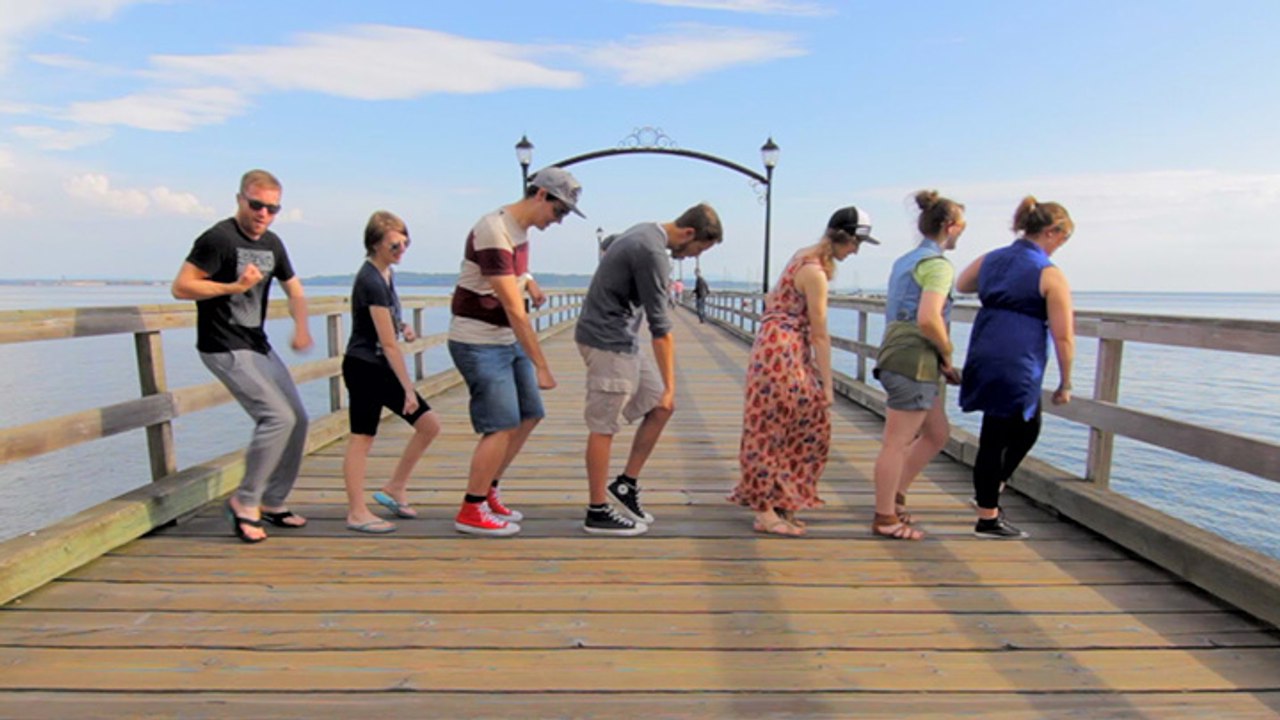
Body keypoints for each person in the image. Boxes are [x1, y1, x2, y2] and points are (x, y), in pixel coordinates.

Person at [171, 169, 312, 543]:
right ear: (240, 200)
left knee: (297, 418)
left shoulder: (273, 244)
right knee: (276, 416)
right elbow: (181, 287)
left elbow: (294, 289)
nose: (263, 214)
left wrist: (301, 329)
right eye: (256, 205)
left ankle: (272, 500)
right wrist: (234, 286)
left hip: (257, 344)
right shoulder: (217, 239)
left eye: (272, 208)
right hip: (222, 345)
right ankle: (245, 502)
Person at [447, 167, 584, 536]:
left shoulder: (519, 231)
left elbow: (514, 272)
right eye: (560, 211)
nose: (559, 221)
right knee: (500, 424)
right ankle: (471, 510)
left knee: (530, 414)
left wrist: (532, 283)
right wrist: (542, 365)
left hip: (505, 340)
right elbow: (512, 308)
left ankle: (489, 487)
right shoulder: (493, 228)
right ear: (541, 195)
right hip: (478, 340)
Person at [575, 203, 723, 535]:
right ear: (688, 233)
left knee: (659, 405)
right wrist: (672, 386)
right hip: (606, 341)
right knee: (604, 425)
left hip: (622, 339)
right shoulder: (652, 251)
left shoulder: (644, 231)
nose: (692, 257)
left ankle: (625, 484)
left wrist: (666, 393)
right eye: (698, 249)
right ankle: (597, 511)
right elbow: (661, 329)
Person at [730, 206, 877, 536]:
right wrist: (827, 385)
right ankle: (766, 509)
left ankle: (779, 499)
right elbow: (820, 332)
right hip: (783, 352)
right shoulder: (815, 273)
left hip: (773, 347)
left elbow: (774, 299)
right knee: (786, 424)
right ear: (844, 239)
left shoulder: (803, 257)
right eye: (856, 244)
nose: (855, 252)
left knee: (787, 423)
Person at [958, 196, 1076, 539]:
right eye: (1063, 239)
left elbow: (964, 284)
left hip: (986, 345)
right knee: (1002, 434)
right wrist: (1066, 381)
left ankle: (988, 493)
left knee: (1018, 428)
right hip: (1018, 356)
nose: (1061, 248)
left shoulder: (994, 258)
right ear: (1052, 232)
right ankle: (987, 516)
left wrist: (1001, 285)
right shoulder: (1048, 273)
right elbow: (1064, 335)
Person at [869, 190, 968, 541]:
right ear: (950, 227)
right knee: (895, 442)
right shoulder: (938, 266)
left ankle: (894, 496)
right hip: (915, 360)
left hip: (898, 353)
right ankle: (885, 517)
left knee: (937, 433)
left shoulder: (905, 261)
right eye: (963, 225)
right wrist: (947, 352)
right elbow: (928, 318)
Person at [340, 211, 443, 534]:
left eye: (405, 242)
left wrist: (402, 325)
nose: (401, 248)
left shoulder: (385, 274)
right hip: (366, 366)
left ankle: (395, 487)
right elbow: (387, 344)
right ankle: (357, 511)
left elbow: (385, 324)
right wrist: (408, 389)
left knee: (429, 425)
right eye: (394, 244)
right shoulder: (371, 279)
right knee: (362, 438)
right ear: (375, 244)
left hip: (376, 364)